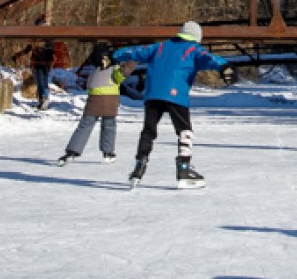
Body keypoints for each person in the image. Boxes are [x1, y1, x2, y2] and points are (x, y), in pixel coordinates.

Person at [113, 22, 232, 188]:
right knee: (184, 130)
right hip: (176, 94)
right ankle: (184, 168)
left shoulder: (160, 46)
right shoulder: (193, 49)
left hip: (153, 93)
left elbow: (135, 51)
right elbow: (209, 58)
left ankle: (139, 166)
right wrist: (224, 67)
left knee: (149, 130)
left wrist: (113, 54)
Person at [56, 44, 136, 166]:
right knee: (108, 126)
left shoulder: (95, 71)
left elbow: (89, 86)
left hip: (93, 101)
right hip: (109, 101)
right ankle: (108, 152)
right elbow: (122, 74)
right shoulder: (114, 69)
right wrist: (134, 59)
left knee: (85, 126)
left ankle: (72, 151)